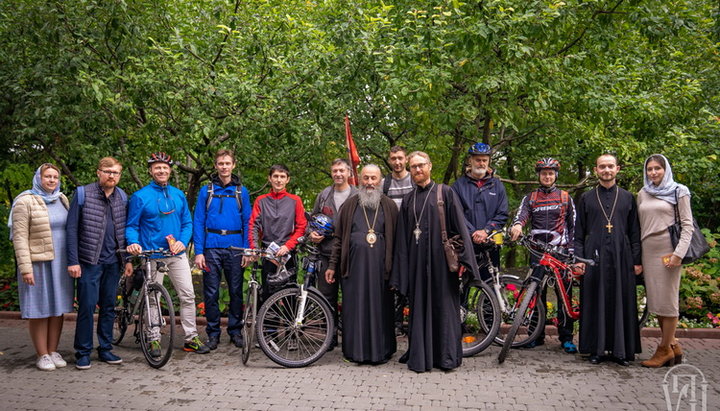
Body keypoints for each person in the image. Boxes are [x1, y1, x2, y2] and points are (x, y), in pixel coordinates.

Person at [390, 151, 479, 372]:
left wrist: (467, 263)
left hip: (441, 263)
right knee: (419, 308)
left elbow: (460, 226)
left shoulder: (445, 193)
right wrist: (400, 273)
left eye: (421, 165)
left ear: (430, 166)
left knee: (444, 308)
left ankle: (446, 358)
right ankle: (421, 356)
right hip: (417, 264)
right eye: (413, 167)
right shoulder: (409, 199)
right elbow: (402, 238)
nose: (417, 170)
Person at [126, 152, 210, 355]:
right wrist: (134, 243)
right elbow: (131, 226)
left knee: (188, 295)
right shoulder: (140, 196)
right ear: (150, 171)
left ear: (170, 170)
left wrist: (182, 241)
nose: (161, 170)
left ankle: (191, 337)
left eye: (165, 167)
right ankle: (153, 337)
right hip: (152, 254)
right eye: (157, 167)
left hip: (176, 254)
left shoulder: (178, 194)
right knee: (152, 297)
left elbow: (187, 223)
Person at [574, 153, 642, 366]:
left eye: (610, 166)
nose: (606, 170)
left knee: (621, 301)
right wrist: (579, 260)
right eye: (602, 167)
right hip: (593, 256)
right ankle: (596, 349)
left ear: (617, 169)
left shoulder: (628, 197)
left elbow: (634, 232)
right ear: (595, 170)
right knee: (595, 301)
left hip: (622, 256)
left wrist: (637, 260)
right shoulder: (586, 197)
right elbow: (578, 233)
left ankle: (621, 351)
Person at [325, 165, 398, 364]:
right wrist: (332, 265)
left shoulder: (390, 206)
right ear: (359, 179)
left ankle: (381, 352)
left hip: (381, 270)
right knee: (355, 310)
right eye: (366, 178)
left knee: (380, 309)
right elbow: (338, 239)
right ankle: (355, 352)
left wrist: (397, 272)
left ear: (380, 180)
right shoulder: (349, 206)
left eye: (374, 178)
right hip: (354, 269)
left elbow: (398, 242)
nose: (370, 183)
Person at [66, 157, 133, 369]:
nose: (111, 175)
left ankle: (105, 348)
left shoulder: (122, 197)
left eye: (115, 173)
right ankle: (83, 351)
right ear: (98, 172)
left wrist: (128, 260)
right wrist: (73, 261)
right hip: (89, 262)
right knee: (86, 307)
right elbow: (71, 229)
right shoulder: (83, 194)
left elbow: (124, 232)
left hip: (113, 262)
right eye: (107, 171)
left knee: (109, 307)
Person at [510, 158, 577, 353]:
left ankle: (566, 338)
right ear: (539, 175)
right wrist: (517, 226)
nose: (547, 176)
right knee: (535, 294)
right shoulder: (531, 198)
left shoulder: (565, 197)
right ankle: (535, 335)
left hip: (560, 252)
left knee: (564, 295)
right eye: (543, 173)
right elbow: (521, 216)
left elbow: (574, 227)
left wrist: (572, 252)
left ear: (556, 175)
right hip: (538, 252)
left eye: (550, 173)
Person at [10, 163, 72, 371]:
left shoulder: (62, 199)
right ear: (39, 178)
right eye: (48, 176)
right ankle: (42, 354)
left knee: (58, 308)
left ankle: (53, 351)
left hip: (60, 263)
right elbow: (19, 238)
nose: (52, 180)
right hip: (37, 264)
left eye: (55, 177)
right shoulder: (24, 201)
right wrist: (25, 267)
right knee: (40, 308)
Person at [637, 154, 693, 367]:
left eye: (657, 169)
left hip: (668, 249)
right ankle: (673, 345)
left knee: (668, 302)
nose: (653, 173)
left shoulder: (679, 191)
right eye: (649, 169)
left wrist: (678, 254)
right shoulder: (643, 193)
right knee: (656, 301)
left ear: (665, 169)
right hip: (647, 250)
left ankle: (663, 349)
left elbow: (687, 225)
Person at [193, 149, 251, 350]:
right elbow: (198, 221)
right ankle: (213, 333)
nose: (224, 167)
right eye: (220, 163)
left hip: (235, 247)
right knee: (210, 293)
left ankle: (235, 331)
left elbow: (248, 222)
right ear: (216, 166)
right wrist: (198, 251)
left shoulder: (241, 191)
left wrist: (247, 250)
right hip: (211, 249)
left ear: (233, 165)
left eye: (227, 163)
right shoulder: (206, 191)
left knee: (236, 291)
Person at [308, 158, 357, 349]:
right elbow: (311, 220)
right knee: (326, 297)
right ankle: (329, 337)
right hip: (325, 254)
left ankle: (351, 338)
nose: (338, 174)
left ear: (348, 173)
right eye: (335, 170)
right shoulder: (323, 195)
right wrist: (311, 234)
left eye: (341, 170)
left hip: (349, 256)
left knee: (350, 297)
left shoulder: (357, 195)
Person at [248, 164, 307, 300]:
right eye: (275, 176)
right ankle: (267, 321)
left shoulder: (295, 201)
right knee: (268, 295)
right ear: (270, 178)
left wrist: (288, 246)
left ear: (288, 179)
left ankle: (289, 321)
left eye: (282, 177)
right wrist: (255, 249)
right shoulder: (261, 201)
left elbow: (301, 227)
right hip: (268, 253)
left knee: (289, 296)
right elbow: (253, 226)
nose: (279, 180)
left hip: (288, 253)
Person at [451, 142, 508, 281]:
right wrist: (472, 233)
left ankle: (488, 304)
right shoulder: (458, 186)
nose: (481, 163)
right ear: (470, 160)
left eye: (484, 160)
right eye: (478, 160)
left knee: (491, 286)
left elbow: (502, 214)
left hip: (490, 244)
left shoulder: (497, 185)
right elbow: (455, 213)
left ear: (489, 161)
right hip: (465, 245)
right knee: (461, 287)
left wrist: (486, 231)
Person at [380, 146, 414, 336]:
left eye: (400, 158)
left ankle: (413, 322)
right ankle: (396, 322)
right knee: (393, 280)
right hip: (392, 238)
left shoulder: (414, 180)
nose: (397, 162)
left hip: (412, 236)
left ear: (406, 159)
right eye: (393, 158)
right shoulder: (384, 184)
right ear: (389, 160)